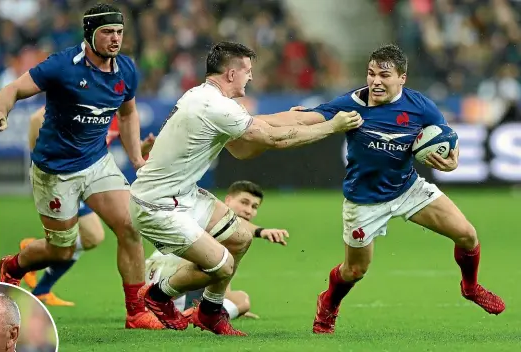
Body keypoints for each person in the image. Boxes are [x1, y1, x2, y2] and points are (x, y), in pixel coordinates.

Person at [253, 44, 506, 333]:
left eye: (384, 75)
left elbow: (447, 136)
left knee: (467, 235)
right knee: (355, 270)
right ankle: (328, 303)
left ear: (402, 78)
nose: (375, 81)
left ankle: (470, 287)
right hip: (364, 201)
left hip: (407, 188)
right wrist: (253, 121)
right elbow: (301, 117)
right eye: (371, 73)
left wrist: (452, 161)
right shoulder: (351, 104)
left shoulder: (420, 105)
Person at [129, 41, 362, 336]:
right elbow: (275, 139)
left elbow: (245, 147)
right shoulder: (214, 106)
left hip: (181, 195)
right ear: (230, 73)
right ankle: (158, 295)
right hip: (157, 205)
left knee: (239, 237)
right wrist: (332, 127)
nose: (250, 77)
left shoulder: (204, 97)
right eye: (247, 70)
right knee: (223, 266)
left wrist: (303, 119)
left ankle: (211, 313)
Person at [0, 3, 162, 329]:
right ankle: (14, 267)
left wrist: (137, 158)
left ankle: (136, 311)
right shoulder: (63, 66)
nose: (115, 39)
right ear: (89, 33)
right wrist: (0, 110)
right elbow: (13, 88)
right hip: (55, 172)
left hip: (97, 163)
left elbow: (127, 114)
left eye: (119, 32)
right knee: (62, 250)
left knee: (131, 226)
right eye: (107, 32)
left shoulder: (125, 69)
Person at [20, 107, 155, 306]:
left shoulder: (120, 115)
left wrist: (143, 148)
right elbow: (35, 119)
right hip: (63, 176)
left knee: (92, 237)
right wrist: (40, 164)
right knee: (93, 235)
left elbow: (132, 153)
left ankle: (39, 271)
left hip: (88, 178)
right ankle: (34, 256)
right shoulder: (87, 100)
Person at [145, 180, 288, 320]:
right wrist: (260, 231)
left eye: (254, 206)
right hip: (163, 277)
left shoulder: (229, 234)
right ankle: (191, 312)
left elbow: (223, 279)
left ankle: (193, 312)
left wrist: (232, 308)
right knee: (235, 292)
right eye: (244, 202)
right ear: (228, 200)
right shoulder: (212, 216)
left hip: (164, 284)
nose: (248, 210)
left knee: (239, 297)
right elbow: (236, 223)